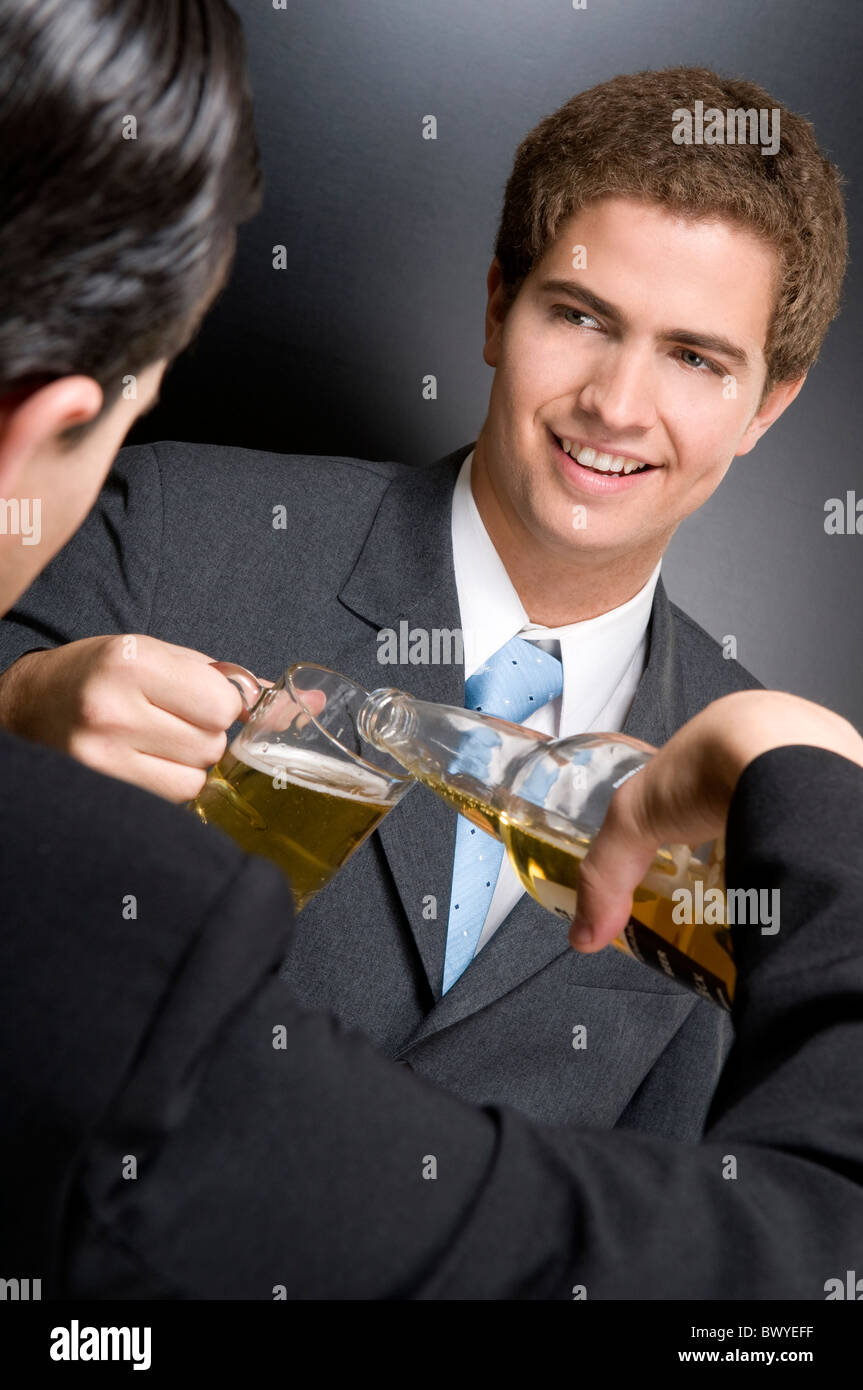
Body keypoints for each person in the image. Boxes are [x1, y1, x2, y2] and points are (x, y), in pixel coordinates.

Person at [2, 0, 863, 1303]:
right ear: (495, 306)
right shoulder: (165, 519)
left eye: (695, 357)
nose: (618, 406)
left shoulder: (787, 823)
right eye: (580, 315)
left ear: (768, 405)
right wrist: (20, 706)